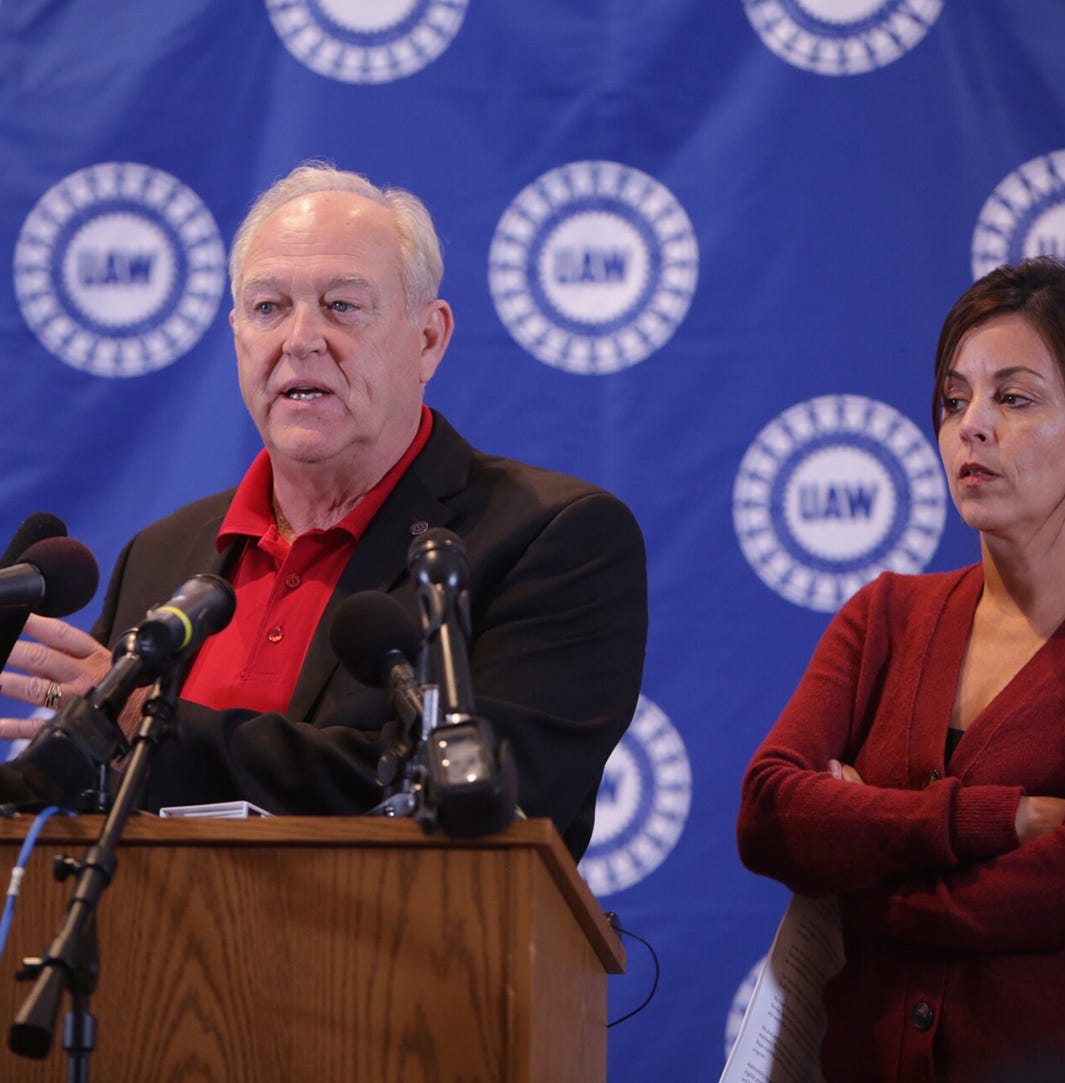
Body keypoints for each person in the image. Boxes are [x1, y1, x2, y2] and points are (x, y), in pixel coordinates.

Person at [0, 162, 647, 860]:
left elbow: (488, 801)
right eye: (268, 307)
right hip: (145, 959)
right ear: (239, 335)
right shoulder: (160, 555)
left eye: (341, 305)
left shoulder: (548, 536)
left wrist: (143, 721)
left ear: (427, 339)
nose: (300, 339)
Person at [735, 258, 1065, 1081]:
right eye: (953, 399)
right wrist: (998, 819)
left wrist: (867, 875)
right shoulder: (885, 615)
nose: (971, 424)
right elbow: (768, 813)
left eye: (1012, 397)